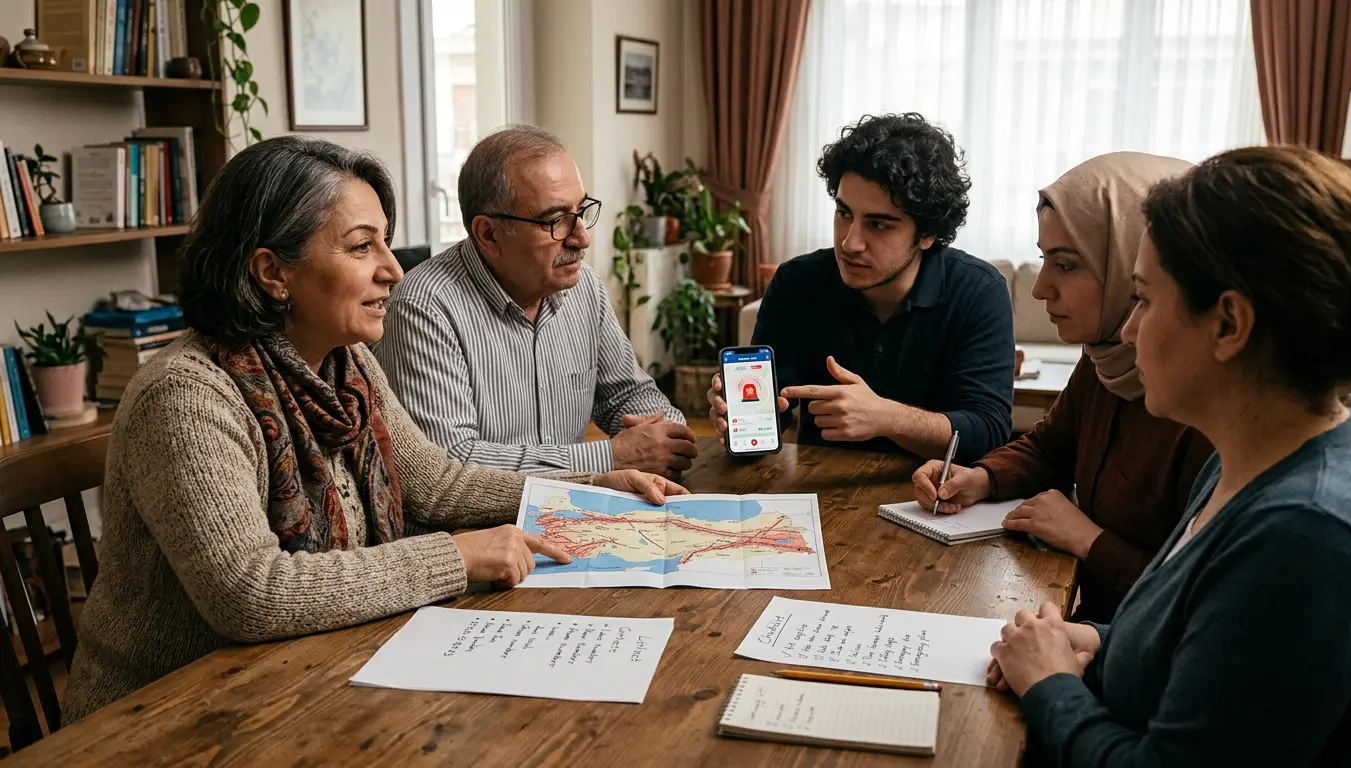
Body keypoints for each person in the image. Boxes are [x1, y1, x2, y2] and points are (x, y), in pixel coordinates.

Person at [62, 136, 685, 724]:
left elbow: (436, 485)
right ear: (273, 272)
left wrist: (586, 484)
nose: (393, 269)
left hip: (308, 676)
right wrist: (455, 555)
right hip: (167, 716)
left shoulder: (346, 362)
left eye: (385, 243)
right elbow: (252, 592)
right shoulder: (186, 395)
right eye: (362, 247)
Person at [988, 146, 1351, 765]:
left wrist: (1050, 685)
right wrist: (1096, 641)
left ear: (1229, 325)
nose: (1128, 331)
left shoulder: (1307, 533)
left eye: (1144, 300)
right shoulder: (1250, 458)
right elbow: (1200, 644)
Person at [911, 153, 1212, 622]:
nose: (1040, 289)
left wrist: (1090, 541)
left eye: (1067, 265)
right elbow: (1052, 446)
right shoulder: (1105, 358)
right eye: (1044, 259)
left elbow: (1203, 604)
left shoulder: (1209, 406)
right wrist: (982, 478)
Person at [375, 125, 695, 476]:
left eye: (581, 211)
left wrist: (668, 434)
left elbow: (626, 393)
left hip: (573, 504)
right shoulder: (422, 309)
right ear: (488, 234)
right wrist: (610, 458)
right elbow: (448, 465)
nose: (582, 238)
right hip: (483, 515)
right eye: (556, 220)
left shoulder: (584, 287)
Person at [707, 113, 1014, 463]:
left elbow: (987, 432)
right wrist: (739, 416)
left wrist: (886, 418)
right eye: (843, 213)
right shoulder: (796, 283)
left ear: (928, 234)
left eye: (878, 225)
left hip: (935, 490)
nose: (849, 243)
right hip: (821, 485)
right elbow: (773, 412)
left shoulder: (978, 291)